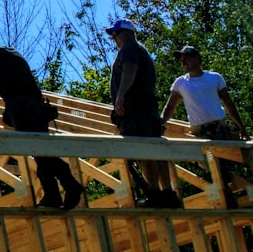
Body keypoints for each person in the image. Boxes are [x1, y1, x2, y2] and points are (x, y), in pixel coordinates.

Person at [0, 38, 84, 210]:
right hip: (37, 106)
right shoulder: (14, 53)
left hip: (19, 105)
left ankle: (70, 183)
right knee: (39, 149)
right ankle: (52, 194)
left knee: (37, 149)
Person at [161, 45, 249, 207]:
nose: (183, 62)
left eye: (186, 58)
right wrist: (160, 124)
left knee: (225, 165)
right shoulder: (181, 83)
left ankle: (232, 197)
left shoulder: (214, 78)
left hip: (219, 128)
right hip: (201, 133)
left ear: (198, 59)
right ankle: (225, 200)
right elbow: (170, 107)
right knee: (213, 167)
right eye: (181, 60)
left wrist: (242, 127)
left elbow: (228, 104)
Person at [106, 19, 179, 208]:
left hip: (137, 110)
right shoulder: (139, 49)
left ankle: (155, 194)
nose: (114, 38)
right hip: (146, 109)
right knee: (155, 149)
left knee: (144, 149)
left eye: (117, 33)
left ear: (128, 32)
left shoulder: (129, 48)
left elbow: (130, 69)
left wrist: (120, 96)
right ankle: (168, 193)